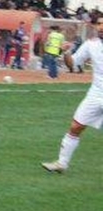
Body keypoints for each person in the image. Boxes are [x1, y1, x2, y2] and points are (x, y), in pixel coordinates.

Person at [42, 20, 103, 173]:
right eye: (99, 24)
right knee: (76, 126)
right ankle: (61, 164)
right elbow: (72, 65)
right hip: (96, 93)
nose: (101, 27)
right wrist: (67, 52)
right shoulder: (91, 44)